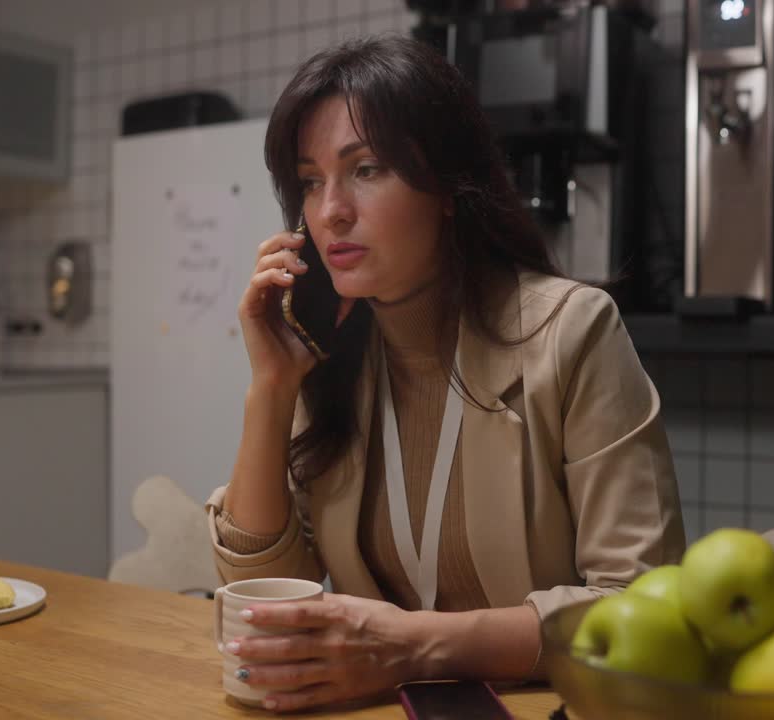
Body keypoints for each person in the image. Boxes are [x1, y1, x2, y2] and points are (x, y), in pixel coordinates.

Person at [204, 34, 685, 712]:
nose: (330, 210)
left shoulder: (572, 331)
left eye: (366, 168)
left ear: (451, 190)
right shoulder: (332, 351)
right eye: (311, 181)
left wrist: (417, 646)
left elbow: (645, 606)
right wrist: (272, 389)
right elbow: (266, 599)